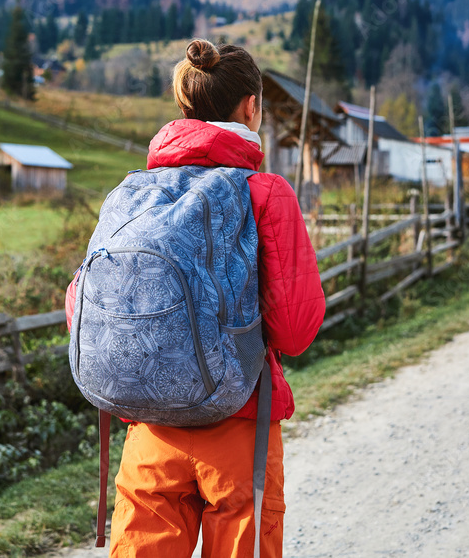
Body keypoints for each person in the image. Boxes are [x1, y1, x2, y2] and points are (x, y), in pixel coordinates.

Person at [66, 38, 325, 557]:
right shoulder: (265, 192)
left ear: (184, 107)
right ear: (252, 106)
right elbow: (295, 332)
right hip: (238, 424)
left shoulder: (133, 192)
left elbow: (79, 304)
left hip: (149, 429)